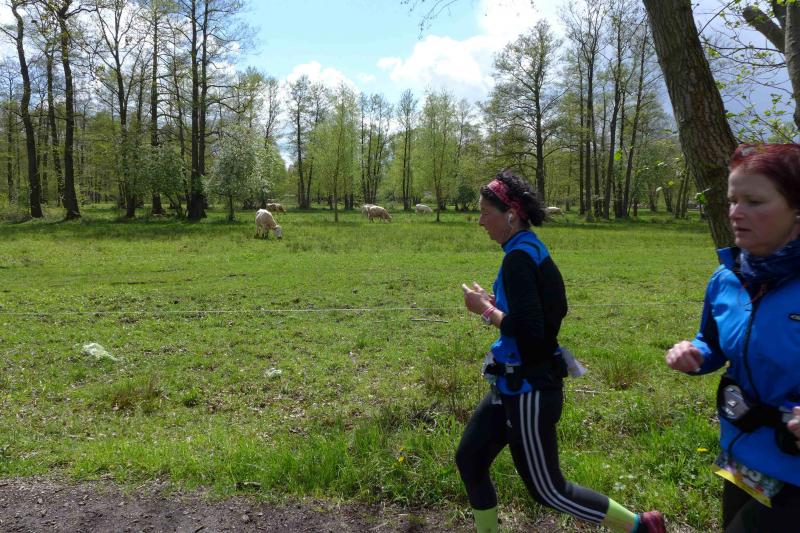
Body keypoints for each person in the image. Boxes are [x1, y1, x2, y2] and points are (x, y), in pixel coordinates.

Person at [457, 170, 665, 533]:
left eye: (485, 213)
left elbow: (532, 333)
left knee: (549, 491)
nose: (480, 221)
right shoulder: (530, 249)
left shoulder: (518, 259)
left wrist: (486, 311)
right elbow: (549, 308)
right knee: (471, 459)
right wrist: (499, 304)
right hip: (509, 382)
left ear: (511, 215)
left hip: (529, 388)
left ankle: (642, 527)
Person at [665, 143, 800, 532]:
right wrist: (693, 353)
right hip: (742, 455)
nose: (736, 213)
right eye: (732, 200)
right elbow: (710, 343)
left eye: (754, 202)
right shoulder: (727, 278)